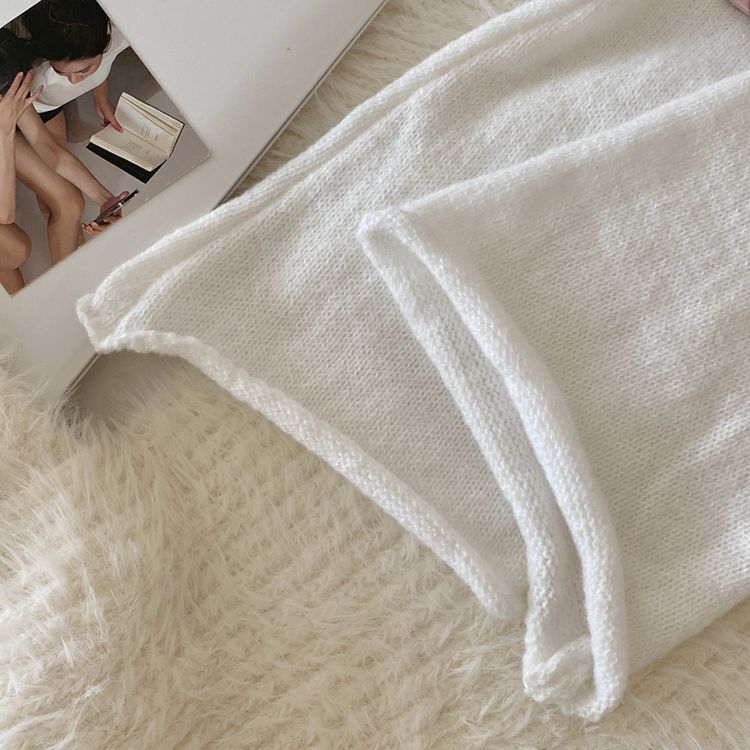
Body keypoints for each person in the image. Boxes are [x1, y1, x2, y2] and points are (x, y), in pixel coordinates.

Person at [0, 29, 125, 294]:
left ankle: (68, 285)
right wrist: (5, 128)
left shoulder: (7, 82)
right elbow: (4, 214)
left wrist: (105, 198)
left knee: (70, 201)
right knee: (15, 250)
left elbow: (47, 147)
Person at [19, 0, 130, 146]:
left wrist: (101, 100)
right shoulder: (35, 65)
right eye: (60, 71)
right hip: (18, 106)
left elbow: (103, 65)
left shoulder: (121, 37)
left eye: (84, 70)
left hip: (48, 111)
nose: (73, 80)